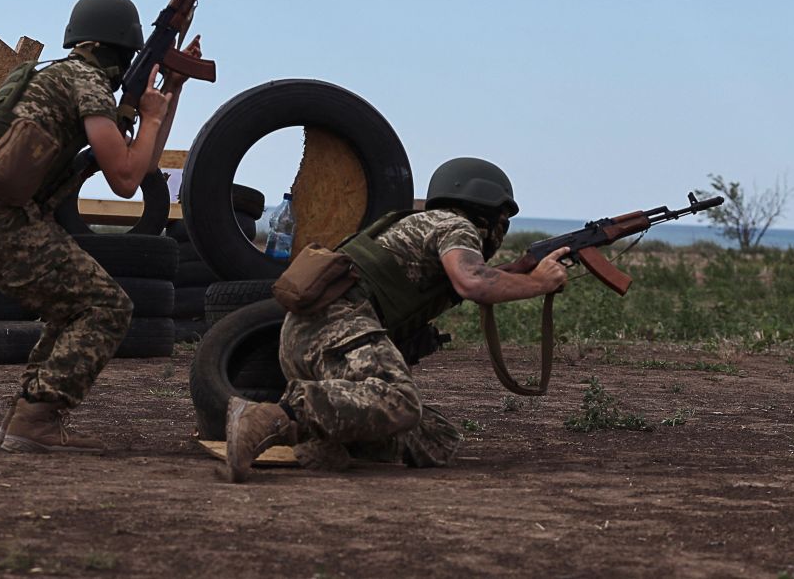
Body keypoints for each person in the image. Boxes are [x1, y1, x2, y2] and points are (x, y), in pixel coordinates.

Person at [0, 0, 202, 454]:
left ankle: (24, 418)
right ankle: (36, 418)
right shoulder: (86, 83)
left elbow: (140, 164)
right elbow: (125, 180)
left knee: (73, 306)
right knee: (108, 307)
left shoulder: (60, 76)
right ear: (124, 48)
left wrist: (168, 94)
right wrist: (152, 114)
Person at [224, 157, 569, 482]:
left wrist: (523, 272)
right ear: (487, 210)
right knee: (399, 399)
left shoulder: (421, 224)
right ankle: (272, 417)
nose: (501, 231)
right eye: (502, 221)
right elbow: (474, 281)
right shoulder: (457, 226)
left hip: (308, 334)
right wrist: (540, 283)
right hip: (340, 325)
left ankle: (320, 439)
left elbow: (471, 277)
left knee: (435, 439)